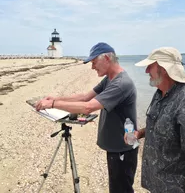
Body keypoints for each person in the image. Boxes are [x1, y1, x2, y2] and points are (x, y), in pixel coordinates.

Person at [35, 42, 138, 193]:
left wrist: (53, 104)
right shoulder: (110, 79)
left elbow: (88, 107)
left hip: (123, 149)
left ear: (107, 58)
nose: (92, 67)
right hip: (117, 147)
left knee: (121, 189)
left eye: (94, 62)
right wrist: (55, 99)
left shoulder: (121, 83)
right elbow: (84, 97)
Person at [125, 47, 185, 193]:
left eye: (150, 66)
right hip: (156, 184)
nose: (146, 71)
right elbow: (162, 125)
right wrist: (139, 134)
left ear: (164, 69)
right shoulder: (160, 94)